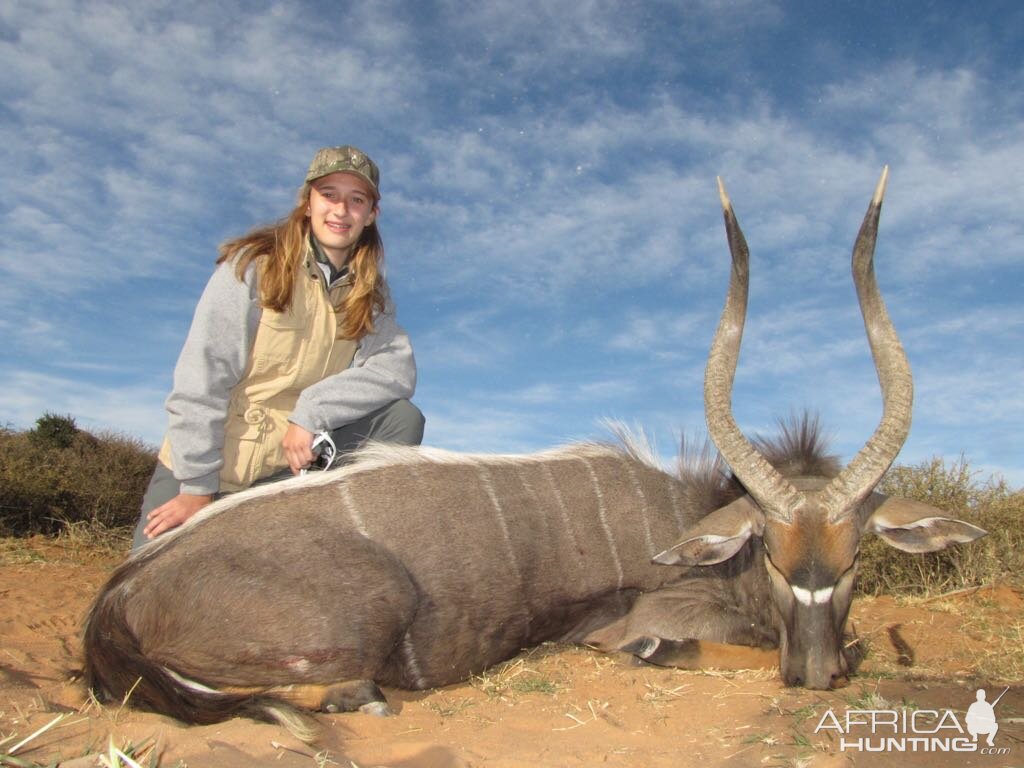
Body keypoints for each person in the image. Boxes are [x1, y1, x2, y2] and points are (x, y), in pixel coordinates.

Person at [132, 145, 424, 549]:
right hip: (211, 468)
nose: (341, 210)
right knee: (141, 601)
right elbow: (202, 378)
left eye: (357, 200)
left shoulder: (370, 296)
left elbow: (397, 372)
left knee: (402, 419)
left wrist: (313, 410)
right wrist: (197, 489)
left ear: (371, 215)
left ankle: (338, 535)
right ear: (307, 203)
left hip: (288, 468)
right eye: (330, 195)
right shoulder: (252, 267)